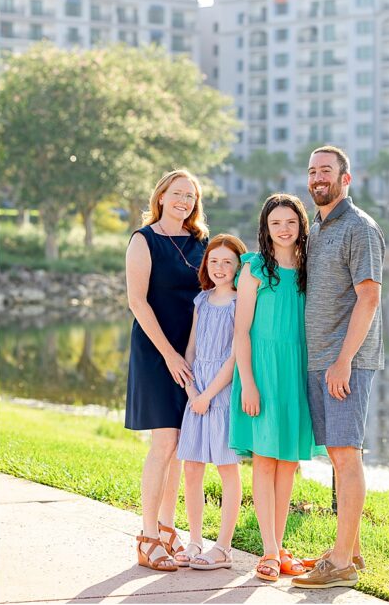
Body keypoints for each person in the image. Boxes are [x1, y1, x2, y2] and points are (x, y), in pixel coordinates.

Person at [293, 146, 385, 590]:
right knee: (337, 453)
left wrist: (344, 361)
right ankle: (349, 548)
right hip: (320, 360)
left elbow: (369, 297)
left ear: (346, 178)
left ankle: (342, 564)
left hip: (345, 361)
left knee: (346, 455)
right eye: (312, 172)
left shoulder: (359, 227)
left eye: (325, 171)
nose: (317, 178)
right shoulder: (316, 228)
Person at [230, 194, 320, 582]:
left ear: (301, 226)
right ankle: (268, 551)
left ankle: (278, 546)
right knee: (265, 459)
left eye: (291, 222)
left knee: (288, 462)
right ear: (265, 229)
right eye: (275, 223)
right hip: (262, 371)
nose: (284, 229)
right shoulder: (253, 269)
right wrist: (248, 383)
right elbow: (240, 332)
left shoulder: (308, 267)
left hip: (295, 370)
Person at [125, 170, 209, 572]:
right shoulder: (143, 240)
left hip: (192, 355)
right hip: (157, 352)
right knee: (164, 442)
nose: (184, 201)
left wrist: (192, 356)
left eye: (190, 196)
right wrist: (171, 356)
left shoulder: (201, 243)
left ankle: (167, 528)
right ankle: (147, 537)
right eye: (177, 194)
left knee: (181, 444)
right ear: (160, 196)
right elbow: (138, 303)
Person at [173, 234, 247, 570]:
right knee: (192, 469)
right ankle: (194, 541)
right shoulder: (201, 300)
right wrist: (192, 391)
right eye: (214, 261)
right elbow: (191, 349)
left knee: (227, 469)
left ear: (238, 266)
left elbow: (234, 357)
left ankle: (224, 547)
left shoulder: (239, 303)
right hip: (197, 391)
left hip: (221, 394)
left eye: (227, 262)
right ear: (206, 265)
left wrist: (207, 394)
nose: (220, 267)